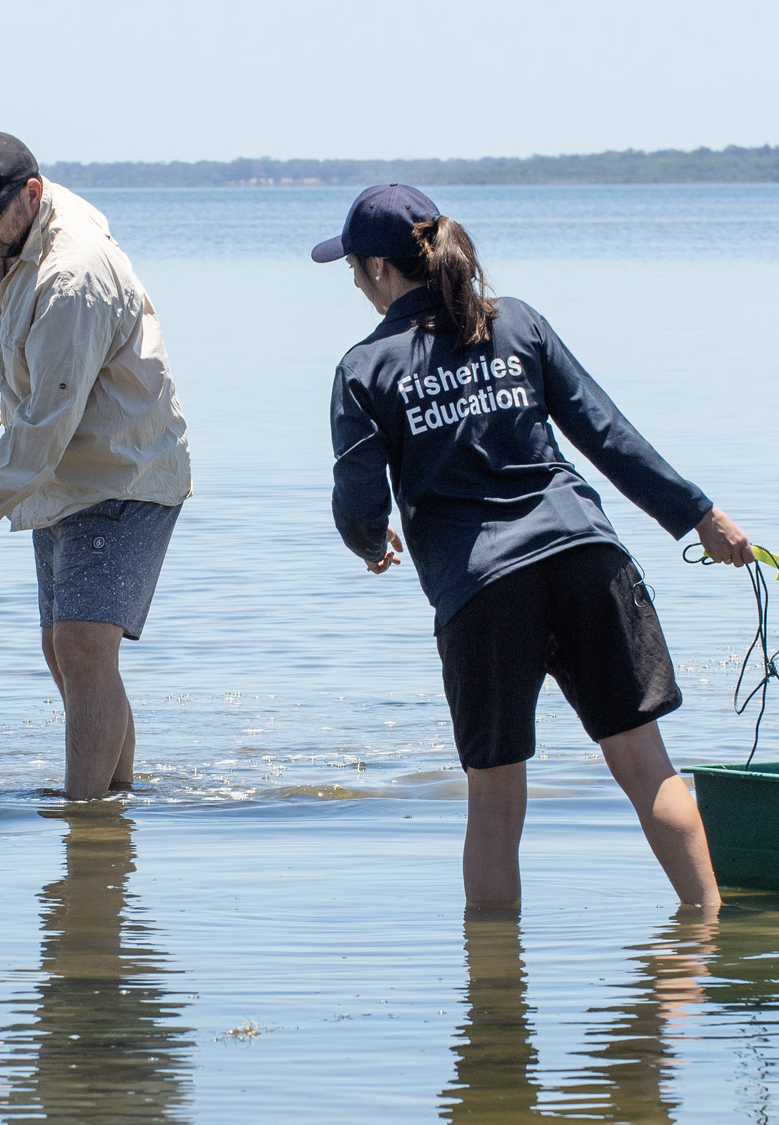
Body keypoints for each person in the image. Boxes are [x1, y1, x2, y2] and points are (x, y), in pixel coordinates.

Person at [321, 184, 753, 912]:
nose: (355, 284)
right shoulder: (514, 323)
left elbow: (359, 505)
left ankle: (495, 1008)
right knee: (646, 763)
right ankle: (705, 936)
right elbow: (607, 436)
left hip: (485, 589)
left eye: (353, 270)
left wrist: (370, 541)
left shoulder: (364, 370)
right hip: (588, 556)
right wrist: (700, 515)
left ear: (377, 268)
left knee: (494, 801)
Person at [0, 131, 193, 800]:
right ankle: (117, 798)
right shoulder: (19, 235)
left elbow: (47, 425)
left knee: (80, 645)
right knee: (66, 651)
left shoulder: (71, 275)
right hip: (66, 473)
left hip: (125, 470)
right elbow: (43, 402)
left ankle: (84, 818)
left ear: (31, 194)